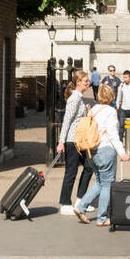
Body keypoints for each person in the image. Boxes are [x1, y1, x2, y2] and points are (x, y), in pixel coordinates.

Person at [73, 83, 130, 226]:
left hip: (92, 152)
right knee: (107, 185)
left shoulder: (93, 110)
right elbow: (113, 135)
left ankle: (80, 207)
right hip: (105, 150)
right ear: (111, 96)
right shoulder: (110, 111)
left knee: (99, 182)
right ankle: (102, 218)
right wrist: (122, 153)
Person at [56, 70, 95, 213]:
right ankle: (65, 203)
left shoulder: (79, 99)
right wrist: (61, 142)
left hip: (80, 140)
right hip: (72, 141)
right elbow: (67, 121)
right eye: (86, 81)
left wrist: (85, 110)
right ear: (78, 82)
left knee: (89, 166)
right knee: (71, 171)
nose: (88, 83)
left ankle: (81, 200)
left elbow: (77, 118)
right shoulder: (74, 98)